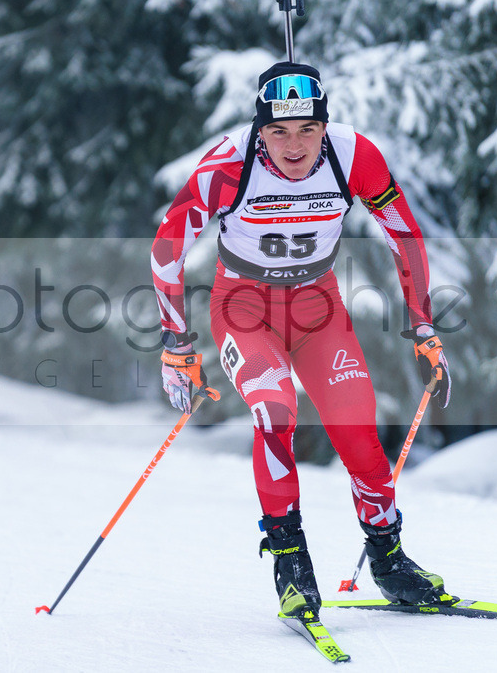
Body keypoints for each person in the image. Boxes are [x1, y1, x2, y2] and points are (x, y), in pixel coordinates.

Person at [150, 61, 452, 618]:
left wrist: (424, 323)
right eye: (279, 132)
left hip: (319, 312)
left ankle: (389, 560)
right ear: (259, 132)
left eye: (307, 130)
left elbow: (404, 234)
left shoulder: (354, 156)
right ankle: (290, 562)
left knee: (358, 433)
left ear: (324, 126)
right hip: (243, 309)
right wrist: (175, 342)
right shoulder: (228, 164)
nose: (295, 146)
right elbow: (167, 247)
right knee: (275, 413)